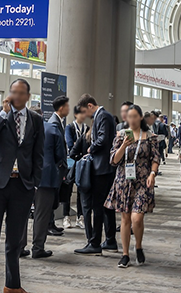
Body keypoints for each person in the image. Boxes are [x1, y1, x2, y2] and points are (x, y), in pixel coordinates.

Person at [0, 79, 44, 293]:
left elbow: (38, 153)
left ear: (27, 96)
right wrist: (1, 115)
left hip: (22, 185)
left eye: (20, 93)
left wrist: (34, 182)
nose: (15, 96)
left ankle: (12, 285)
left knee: (15, 240)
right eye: (13, 92)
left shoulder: (35, 119)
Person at [106, 104, 162, 268]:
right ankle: (125, 254)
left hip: (143, 181)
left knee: (137, 218)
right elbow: (114, 160)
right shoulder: (121, 135)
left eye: (134, 116)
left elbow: (155, 158)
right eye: (128, 117)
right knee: (125, 218)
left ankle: (138, 246)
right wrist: (123, 145)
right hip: (124, 181)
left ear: (140, 117)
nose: (131, 119)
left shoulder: (150, 137)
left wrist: (153, 174)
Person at [74, 95, 119, 255]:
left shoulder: (103, 116)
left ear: (90, 105)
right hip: (104, 168)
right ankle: (110, 240)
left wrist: (90, 148)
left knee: (98, 206)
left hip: (102, 168)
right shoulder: (103, 116)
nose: (85, 115)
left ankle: (95, 243)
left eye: (85, 111)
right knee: (106, 206)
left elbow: (103, 139)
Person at [27, 95, 69, 258]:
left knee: (22, 215)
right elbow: (61, 155)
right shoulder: (51, 129)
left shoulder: (22, 131)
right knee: (41, 215)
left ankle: (20, 246)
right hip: (46, 178)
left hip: (23, 177)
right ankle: (37, 248)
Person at [63, 104, 89, 228]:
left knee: (81, 191)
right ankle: (66, 216)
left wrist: (77, 147)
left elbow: (88, 147)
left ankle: (80, 217)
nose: (83, 115)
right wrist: (78, 148)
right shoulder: (70, 127)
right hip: (71, 163)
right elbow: (69, 144)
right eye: (81, 113)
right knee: (67, 190)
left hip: (83, 164)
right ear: (75, 114)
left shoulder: (87, 128)